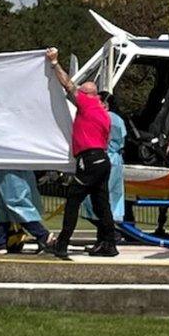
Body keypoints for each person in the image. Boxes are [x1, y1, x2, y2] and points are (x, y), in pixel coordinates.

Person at [46, 47, 118, 259]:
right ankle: (109, 243)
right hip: (102, 160)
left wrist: (54, 63)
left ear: (88, 95)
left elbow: (67, 84)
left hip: (90, 159)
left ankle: (62, 243)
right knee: (101, 204)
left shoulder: (86, 104)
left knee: (73, 200)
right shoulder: (104, 115)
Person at [0, 170, 55, 254]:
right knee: (4, 209)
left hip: (10, 171)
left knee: (16, 207)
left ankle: (43, 235)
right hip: (6, 170)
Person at [81, 91, 126, 226]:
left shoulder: (103, 117)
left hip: (104, 157)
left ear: (105, 104)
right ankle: (109, 230)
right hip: (116, 160)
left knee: (97, 197)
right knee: (111, 196)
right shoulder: (118, 120)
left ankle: (107, 232)